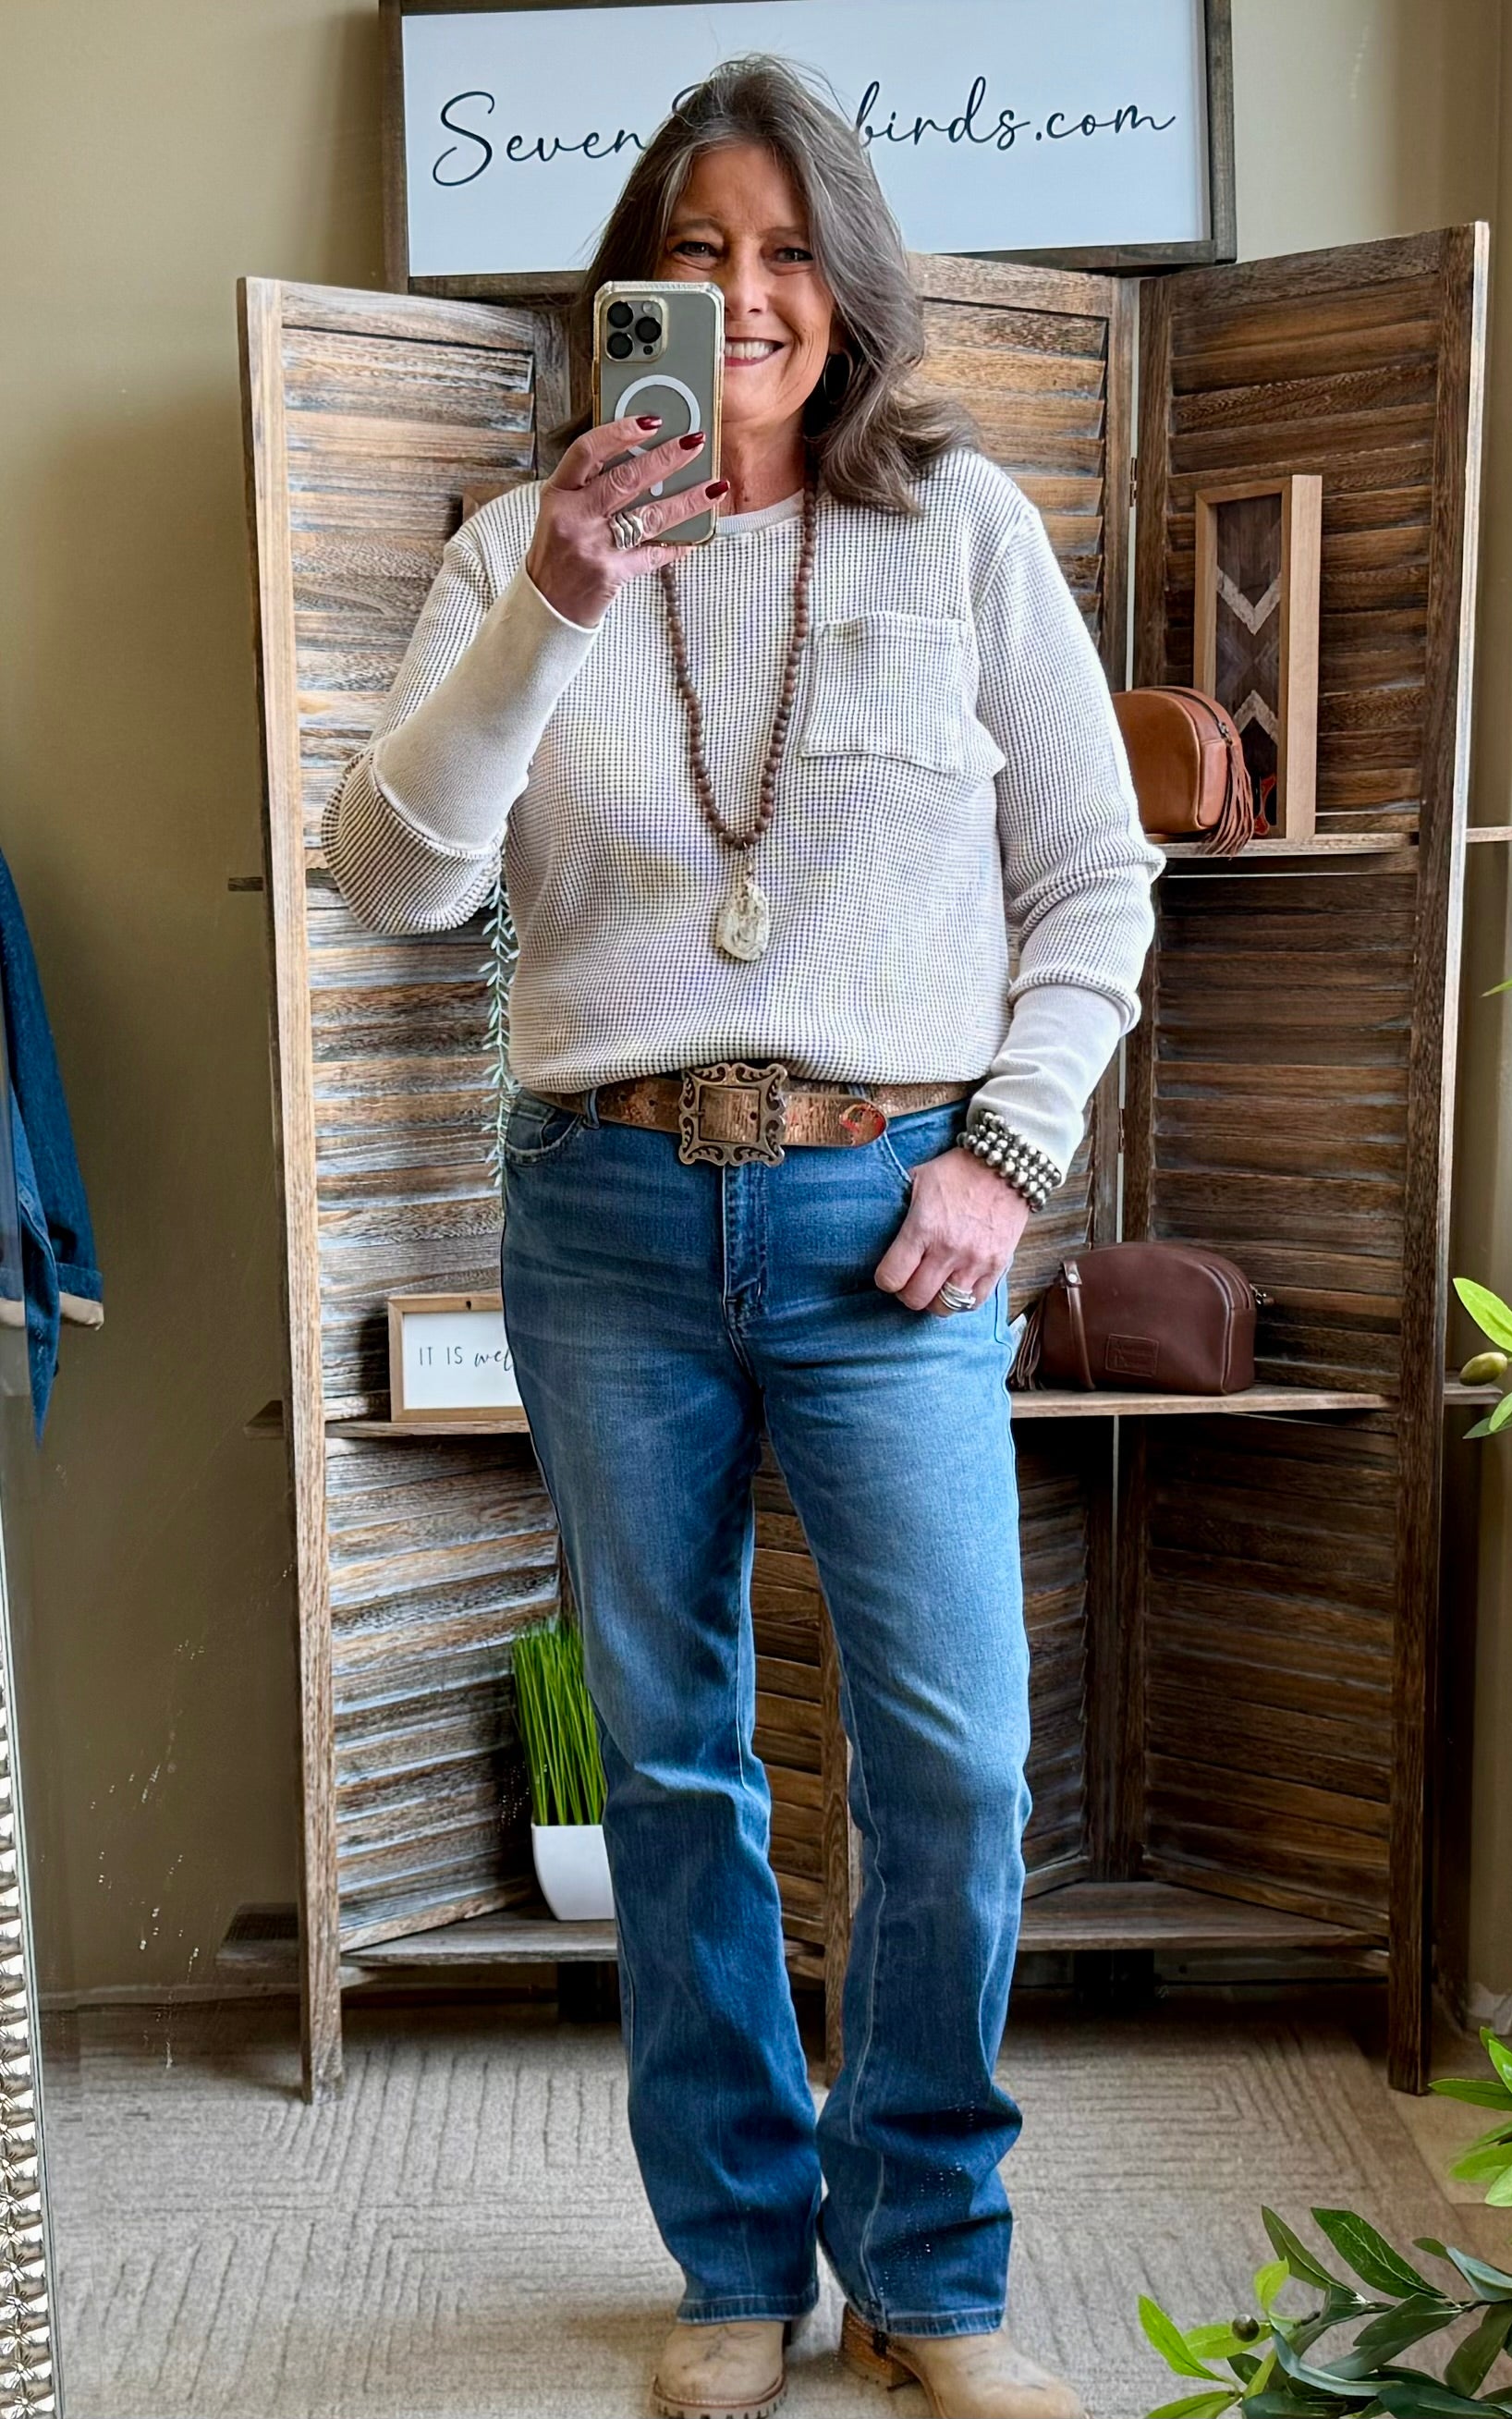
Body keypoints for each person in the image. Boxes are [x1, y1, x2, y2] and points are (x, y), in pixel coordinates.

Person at [323, 53, 1160, 2419]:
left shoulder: (959, 528)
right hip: (605, 1218)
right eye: (694, 251)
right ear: (629, 293)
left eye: (787, 250)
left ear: (849, 284)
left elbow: (1094, 875)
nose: (745, 293)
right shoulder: (524, 543)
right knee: (674, 1763)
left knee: (952, 1765)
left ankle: (928, 2269)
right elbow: (393, 880)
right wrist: (559, 603)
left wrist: (1009, 1154)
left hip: (898, 1215)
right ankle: (734, 2258)